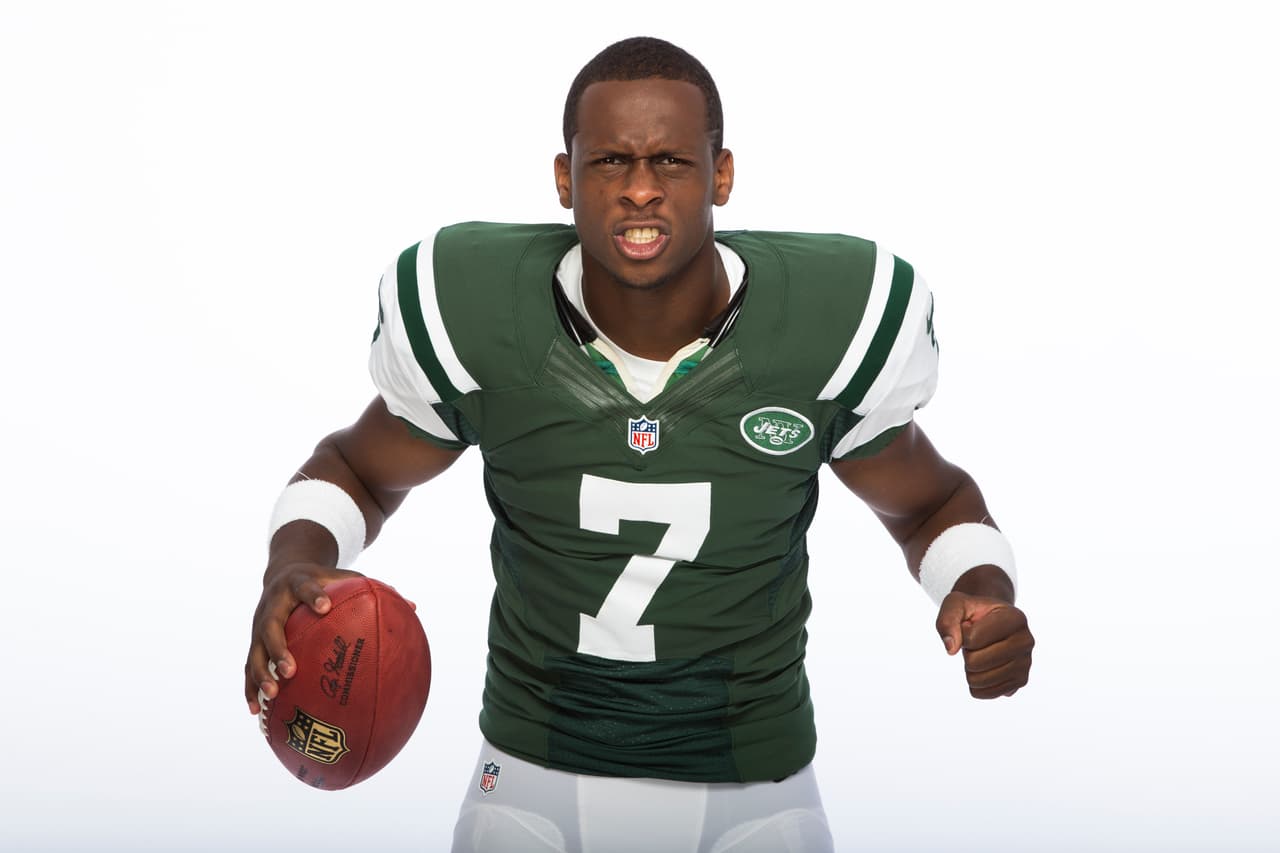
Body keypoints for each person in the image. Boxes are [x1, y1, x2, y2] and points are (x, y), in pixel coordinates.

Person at [244, 36, 1034, 853]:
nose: (641, 191)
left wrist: (981, 589)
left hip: (755, 780)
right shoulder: (482, 316)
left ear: (721, 174)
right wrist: (292, 564)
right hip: (530, 769)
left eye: (672, 162)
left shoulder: (824, 329)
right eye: (612, 163)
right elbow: (357, 471)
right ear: (565, 179)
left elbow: (932, 502)